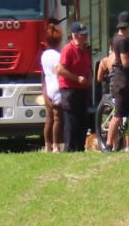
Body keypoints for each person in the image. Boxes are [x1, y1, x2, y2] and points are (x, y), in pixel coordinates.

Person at [104, 10, 129, 151]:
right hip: (121, 81)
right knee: (119, 115)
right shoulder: (123, 41)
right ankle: (108, 144)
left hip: (127, 80)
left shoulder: (117, 39)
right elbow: (125, 62)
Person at [55, 20, 94, 154]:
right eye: (81, 34)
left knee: (83, 118)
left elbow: (88, 67)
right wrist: (77, 78)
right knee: (71, 119)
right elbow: (60, 70)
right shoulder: (68, 49)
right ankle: (70, 148)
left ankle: (80, 147)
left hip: (83, 89)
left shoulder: (85, 49)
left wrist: (89, 78)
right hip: (69, 88)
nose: (84, 36)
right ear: (74, 35)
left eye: (85, 34)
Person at [40, 22, 64, 151]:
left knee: (48, 118)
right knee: (58, 118)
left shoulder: (44, 55)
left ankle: (47, 144)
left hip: (48, 87)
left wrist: (43, 90)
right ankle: (56, 144)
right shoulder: (58, 56)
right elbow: (58, 72)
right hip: (57, 87)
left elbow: (43, 74)